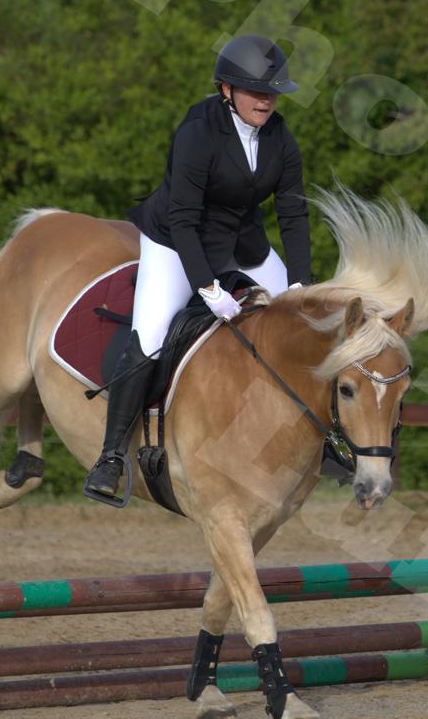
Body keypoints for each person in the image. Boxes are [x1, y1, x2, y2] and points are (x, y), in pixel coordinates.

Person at [83, 34, 313, 504]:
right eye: (256, 91)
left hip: (243, 246)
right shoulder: (197, 133)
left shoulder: (280, 137)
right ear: (226, 90)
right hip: (175, 242)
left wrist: (300, 285)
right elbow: (185, 219)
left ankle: (325, 441)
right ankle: (110, 456)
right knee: (150, 339)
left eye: (273, 92)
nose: (267, 100)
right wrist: (207, 288)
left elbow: (293, 214)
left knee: (305, 326)